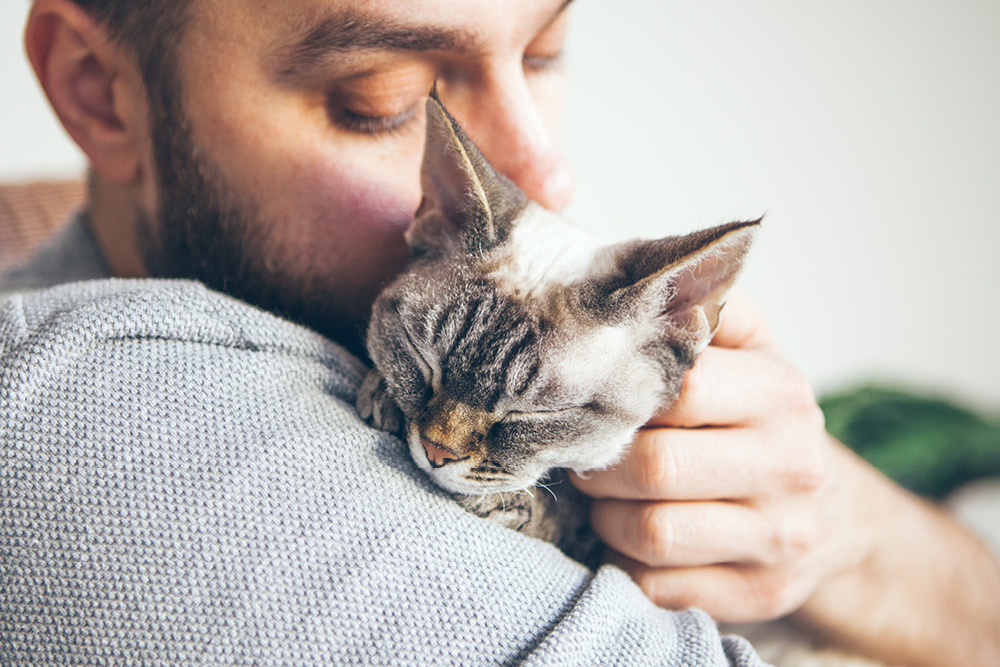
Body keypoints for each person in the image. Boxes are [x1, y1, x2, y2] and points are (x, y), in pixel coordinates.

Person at [2, 0, 997, 665]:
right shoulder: (109, 430)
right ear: (100, 91)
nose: (546, 176)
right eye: (381, 101)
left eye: (545, 50)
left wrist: (855, 540)